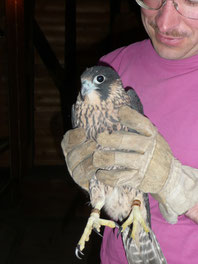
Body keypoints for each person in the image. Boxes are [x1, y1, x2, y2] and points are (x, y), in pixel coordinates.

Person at [61, 0, 198, 263]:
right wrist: (93, 181)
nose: (164, 22)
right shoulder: (111, 67)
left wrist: (176, 184)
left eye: (191, 1)